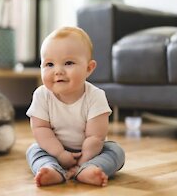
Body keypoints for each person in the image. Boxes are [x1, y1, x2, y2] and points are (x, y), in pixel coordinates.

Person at [25, 26, 125, 187]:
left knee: (116, 151)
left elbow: (95, 136)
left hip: (91, 152)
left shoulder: (95, 96)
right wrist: (59, 153)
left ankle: (88, 169)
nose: (58, 71)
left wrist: (83, 161)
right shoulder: (41, 95)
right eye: (49, 64)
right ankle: (50, 169)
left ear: (89, 68)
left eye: (68, 63)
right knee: (34, 150)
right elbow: (40, 129)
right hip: (53, 149)